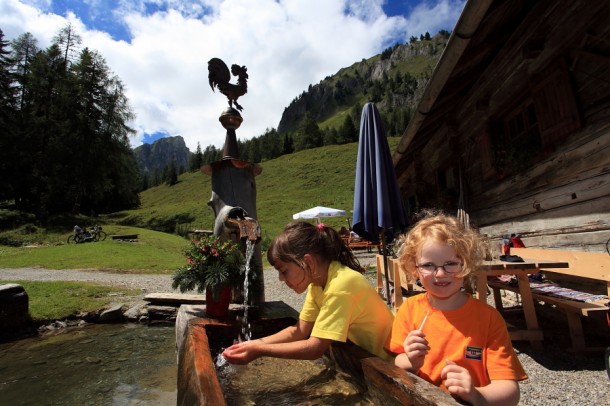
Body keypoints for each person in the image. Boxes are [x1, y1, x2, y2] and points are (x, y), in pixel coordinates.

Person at [388, 213, 526, 406]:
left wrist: (476, 395)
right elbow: (397, 361)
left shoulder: (488, 318)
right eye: (428, 265)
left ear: (466, 263)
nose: (441, 274)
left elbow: (510, 392)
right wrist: (411, 361)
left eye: (451, 263)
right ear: (414, 268)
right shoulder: (409, 310)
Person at [222, 221, 395, 364]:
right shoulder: (318, 284)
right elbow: (299, 331)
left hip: (391, 364)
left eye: (284, 271)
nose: (282, 279)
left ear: (308, 262)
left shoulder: (341, 285)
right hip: (368, 358)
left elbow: (314, 348)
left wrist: (259, 350)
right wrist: (253, 344)